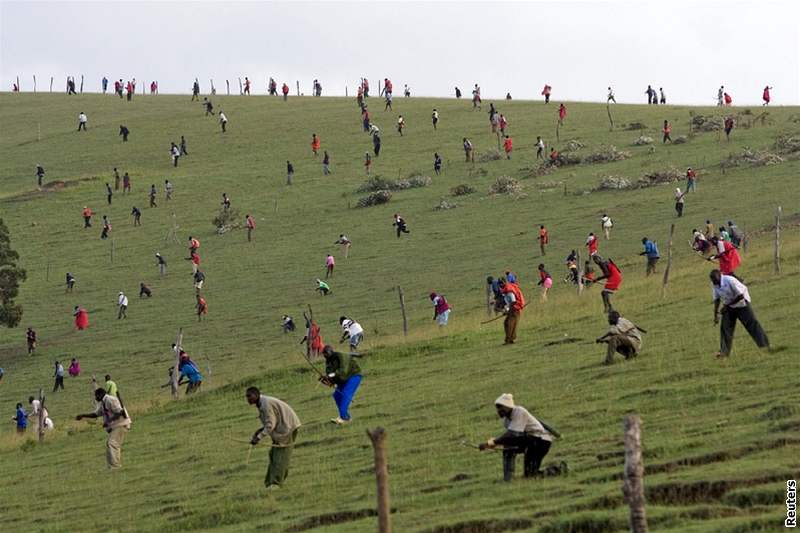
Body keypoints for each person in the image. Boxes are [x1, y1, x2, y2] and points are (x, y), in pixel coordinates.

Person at [478, 394, 560, 481]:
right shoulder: (507, 421)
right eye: (497, 408)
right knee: (529, 473)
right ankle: (508, 479)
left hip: (541, 441)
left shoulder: (519, 411)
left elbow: (512, 434)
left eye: (500, 407)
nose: (498, 410)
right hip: (531, 442)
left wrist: (491, 443)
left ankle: (558, 470)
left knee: (530, 474)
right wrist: (494, 444)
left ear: (508, 406)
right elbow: (512, 438)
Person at [246, 387, 302, 490]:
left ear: (257, 395)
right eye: (246, 396)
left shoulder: (266, 404)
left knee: (281, 457)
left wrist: (258, 438)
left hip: (288, 427)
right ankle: (269, 483)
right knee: (273, 455)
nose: (248, 399)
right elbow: (271, 421)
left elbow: (270, 425)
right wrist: (259, 431)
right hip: (281, 428)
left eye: (250, 396)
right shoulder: (261, 403)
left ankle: (276, 483)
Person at [710, 269, 769, 358]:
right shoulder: (714, 284)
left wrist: (726, 306)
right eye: (713, 281)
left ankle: (765, 346)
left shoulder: (730, 280)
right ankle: (724, 353)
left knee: (752, 324)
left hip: (742, 304)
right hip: (729, 305)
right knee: (725, 328)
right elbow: (717, 299)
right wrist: (716, 314)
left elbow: (740, 296)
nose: (715, 283)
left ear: (720, 276)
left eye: (715, 280)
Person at [76, 387, 132, 468]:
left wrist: (108, 421)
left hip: (121, 424)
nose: (95, 398)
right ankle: (113, 465)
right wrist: (82, 415)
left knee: (111, 443)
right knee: (114, 445)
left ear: (101, 394)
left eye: (96, 396)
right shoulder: (103, 402)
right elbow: (96, 414)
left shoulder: (110, 400)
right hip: (116, 425)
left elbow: (120, 412)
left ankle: (114, 466)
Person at [321, 345, 363, 425]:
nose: (325, 356)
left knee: (345, 394)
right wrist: (326, 380)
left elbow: (343, 371)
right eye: (324, 354)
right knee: (337, 395)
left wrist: (331, 376)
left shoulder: (340, 356)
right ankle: (346, 417)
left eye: (326, 354)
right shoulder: (328, 362)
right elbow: (331, 378)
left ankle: (342, 417)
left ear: (330, 352)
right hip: (342, 380)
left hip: (353, 375)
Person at [500, 278, 525, 345]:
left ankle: (508, 340)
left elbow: (513, 301)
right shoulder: (506, 290)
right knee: (507, 323)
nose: (500, 285)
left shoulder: (509, 291)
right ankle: (511, 339)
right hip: (513, 309)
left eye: (501, 283)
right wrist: (506, 310)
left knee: (509, 324)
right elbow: (509, 302)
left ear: (505, 282)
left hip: (515, 309)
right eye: (499, 284)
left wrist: (509, 310)